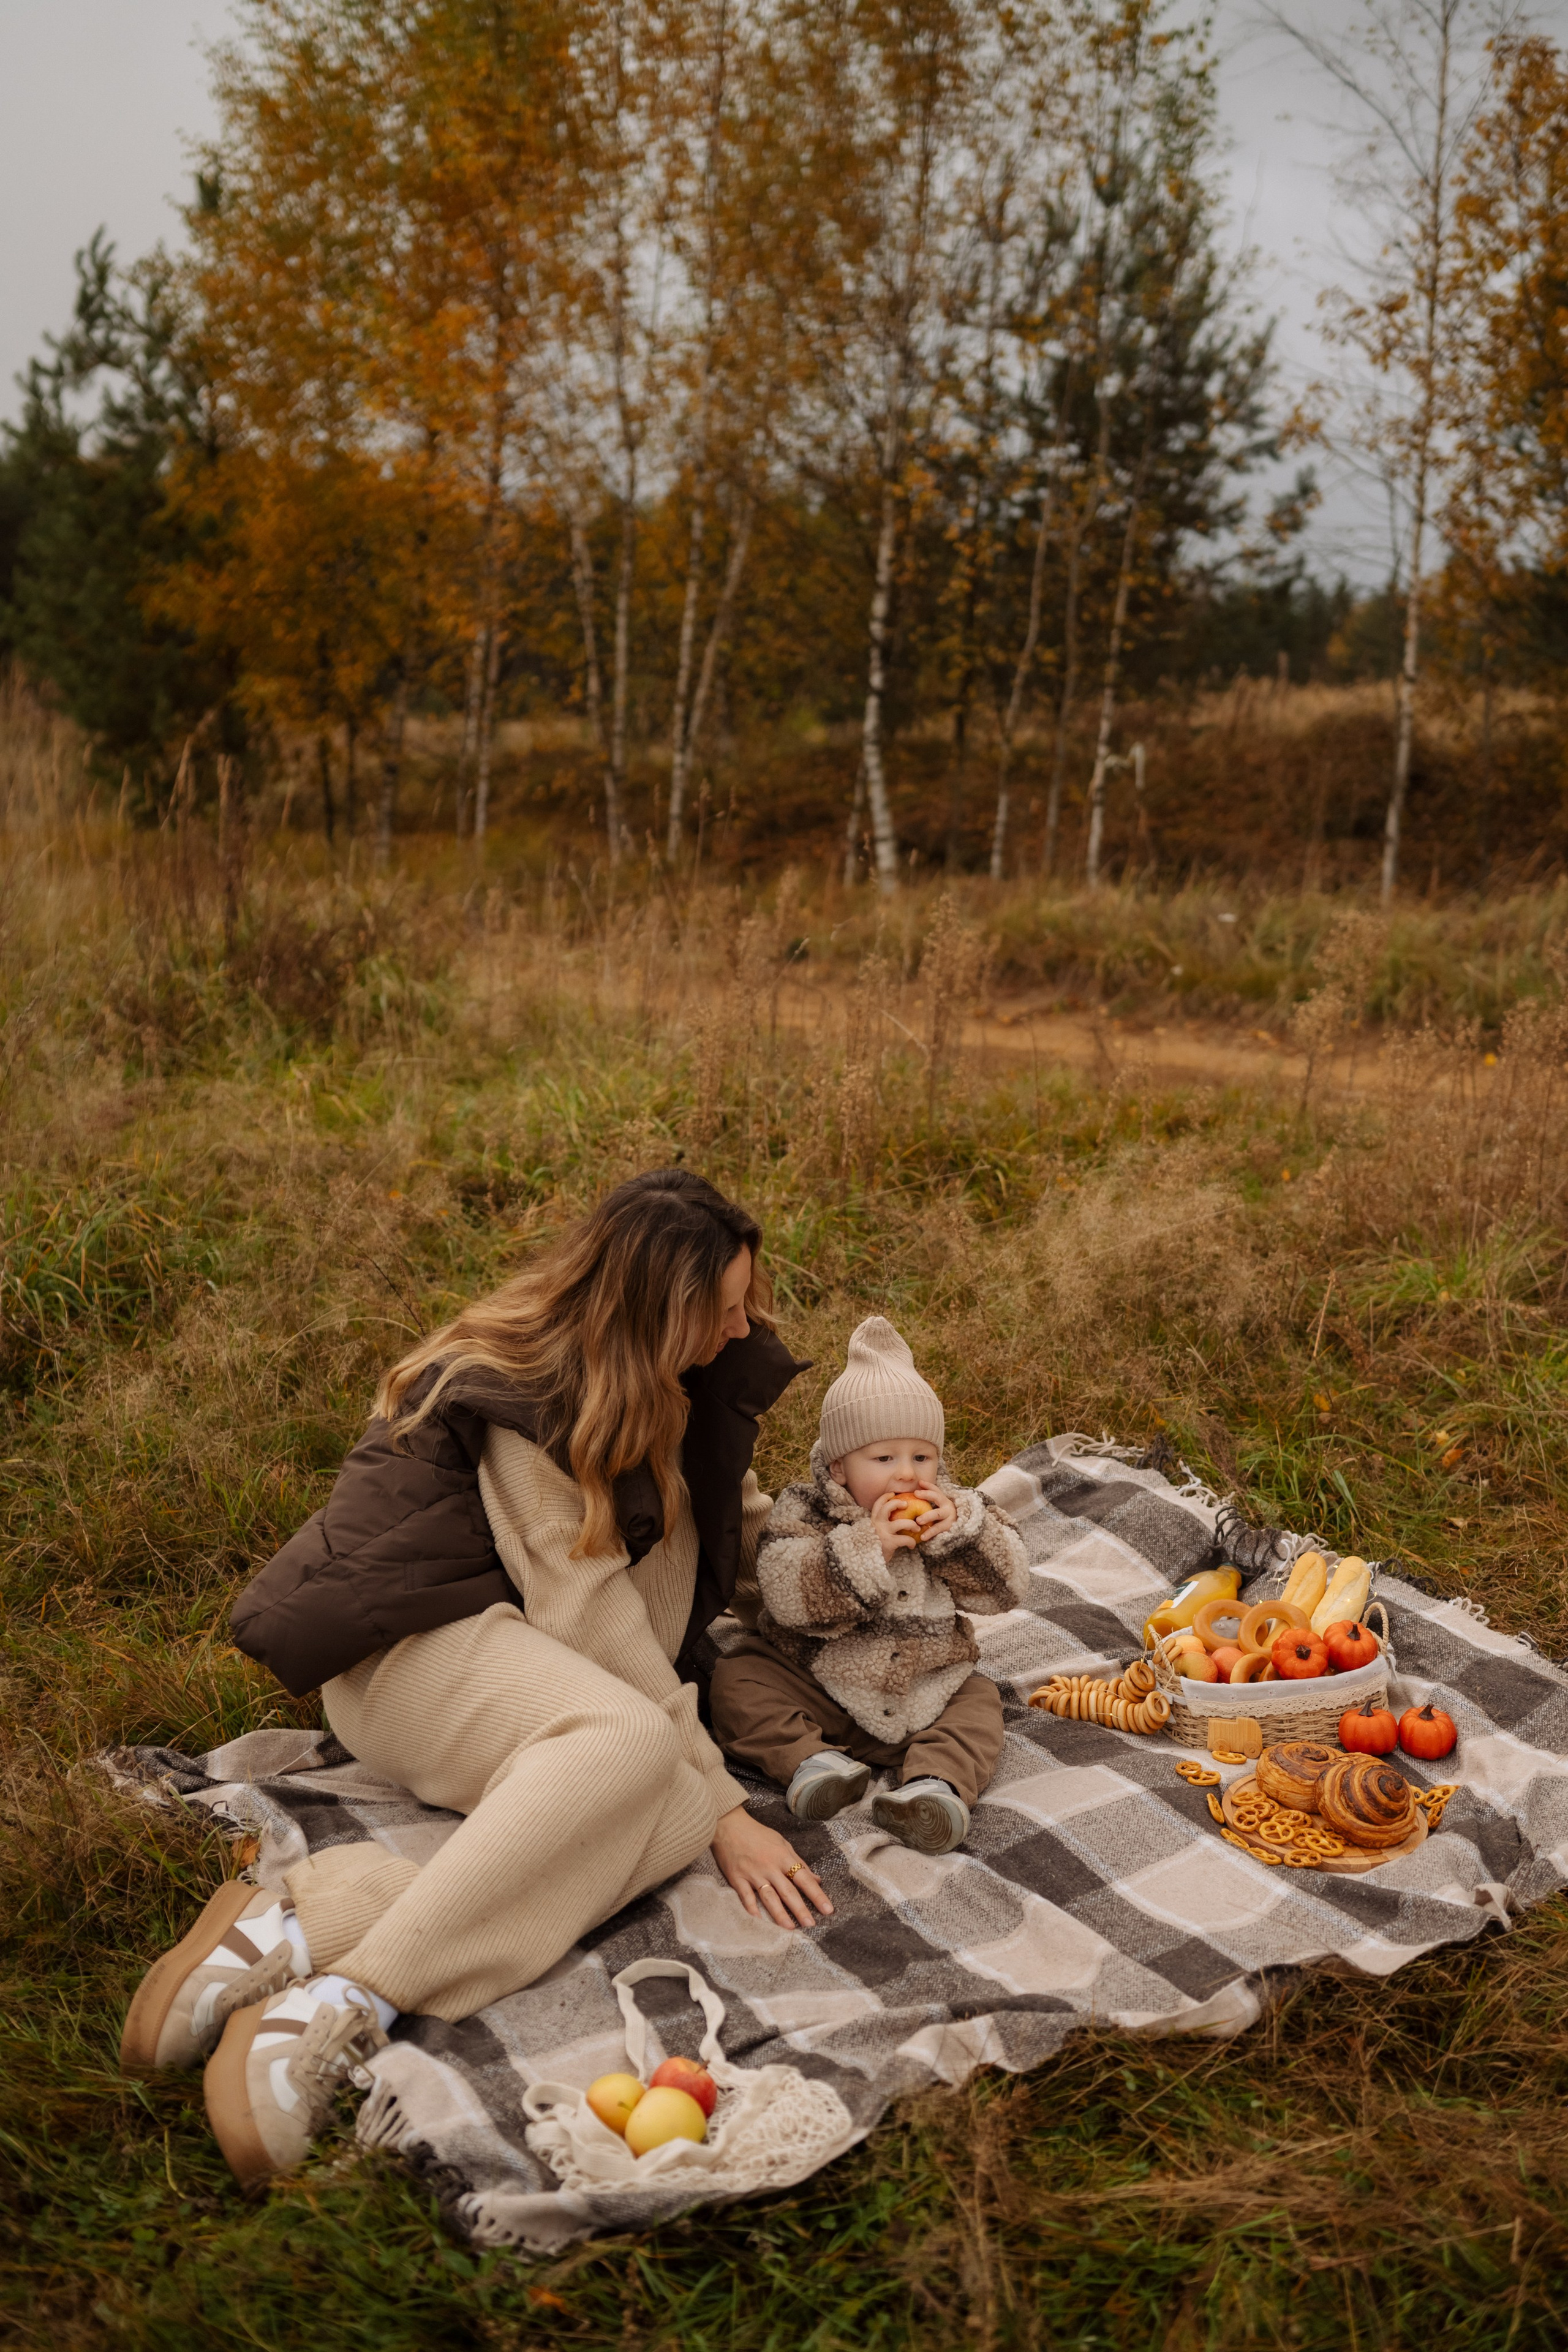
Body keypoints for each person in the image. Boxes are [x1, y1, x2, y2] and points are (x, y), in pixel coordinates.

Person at [118, 1169, 831, 2192]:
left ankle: (315, 1916)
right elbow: (588, 1616)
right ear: (651, 1309)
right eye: (720, 1310)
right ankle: (345, 2005)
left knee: (665, 1805)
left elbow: (737, 1524)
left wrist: (843, 1571)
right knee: (643, 1752)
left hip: (529, 1665)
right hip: (411, 1660)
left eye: (745, 1302)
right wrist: (731, 1805)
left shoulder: (682, 1379)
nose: (740, 1327)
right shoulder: (518, 1392)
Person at [710, 1316, 1029, 1856]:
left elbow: (1007, 1588)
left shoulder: (955, 1512)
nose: (908, 1475)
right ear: (839, 1467)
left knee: (979, 1700)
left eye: (922, 1456)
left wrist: (961, 1535)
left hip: (925, 1690)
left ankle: (935, 1787)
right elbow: (784, 1593)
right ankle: (811, 1763)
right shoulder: (806, 1512)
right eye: (884, 1459)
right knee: (737, 1677)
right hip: (819, 1685)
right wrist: (867, 1550)